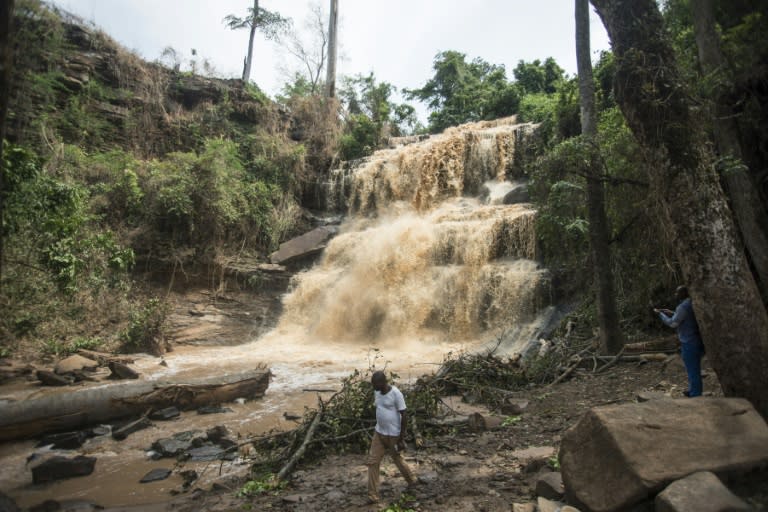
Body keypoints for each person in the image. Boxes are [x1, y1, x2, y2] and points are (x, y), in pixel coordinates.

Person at [366, 371, 416, 503]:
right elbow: (379, 408)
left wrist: (401, 438)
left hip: (393, 435)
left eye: (375, 384)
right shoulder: (377, 392)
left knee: (397, 459)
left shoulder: (396, 394)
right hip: (379, 433)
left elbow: (404, 414)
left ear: (382, 383)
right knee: (372, 462)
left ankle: (412, 480)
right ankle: (373, 495)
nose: (373, 387)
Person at [654, 286, 705, 397]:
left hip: (689, 342)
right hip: (696, 340)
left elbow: (673, 324)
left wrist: (661, 315)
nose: (675, 294)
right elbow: (683, 317)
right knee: (693, 368)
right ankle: (693, 390)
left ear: (683, 293)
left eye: (677, 292)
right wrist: (671, 312)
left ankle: (696, 394)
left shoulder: (682, 307)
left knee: (692, 369)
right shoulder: (691, 303)